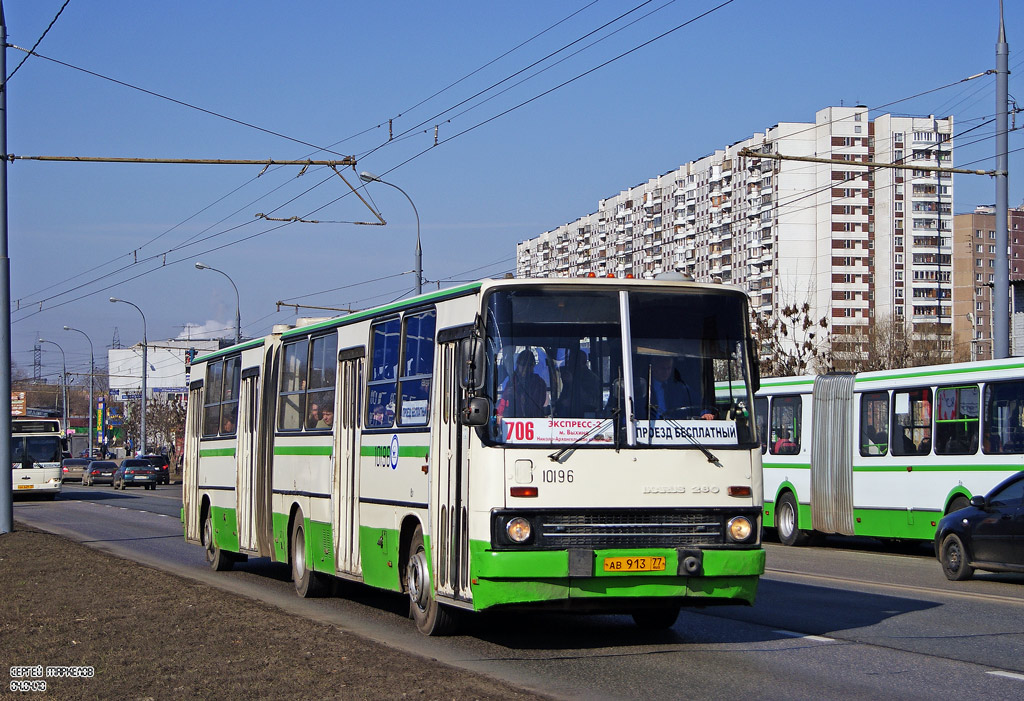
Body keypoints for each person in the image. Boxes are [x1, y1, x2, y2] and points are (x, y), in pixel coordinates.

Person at [498, 349, 548, 418]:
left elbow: (536, 405)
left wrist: (517, 394)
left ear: (533, 366)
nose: (525, 368)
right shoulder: (513, 381)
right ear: (518, 364)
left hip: (534, 421)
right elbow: (503, 402)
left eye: (529, 365)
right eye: (522, 364)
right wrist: (499, 415)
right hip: (512, 421)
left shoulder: (539, 382)